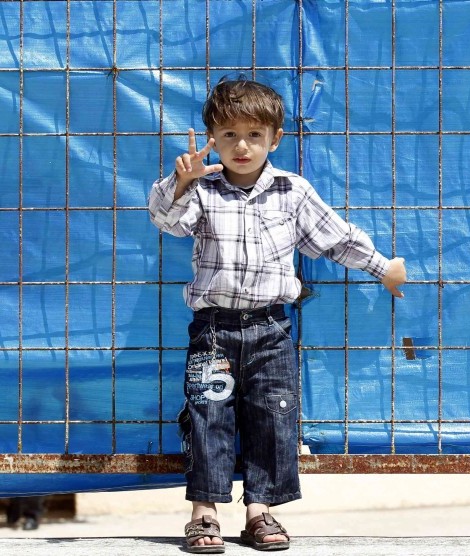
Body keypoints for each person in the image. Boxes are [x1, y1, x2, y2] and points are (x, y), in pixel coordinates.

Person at [148, 76, 406, 553]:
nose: (241, 146)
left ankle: (259, 511)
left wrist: (382, 266)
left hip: (271, 329)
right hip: (214, 332)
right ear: (211, 138)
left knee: (273, 418)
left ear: (275, 138)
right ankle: (204, 514)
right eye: (228, 136)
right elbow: (167, 221)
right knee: (208, 416)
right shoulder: (203, 190)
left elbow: (335, 237)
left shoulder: (293, 191)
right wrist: (179, 183)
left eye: (254, 135)